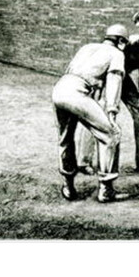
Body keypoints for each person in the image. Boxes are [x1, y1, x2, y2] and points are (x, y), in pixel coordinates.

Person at [52, 24, 130, 203]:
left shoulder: (87, 47)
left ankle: (68, 186)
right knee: (111, 134)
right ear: (121, 41)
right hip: (76, 94)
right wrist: (112, 111)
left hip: (60, 89)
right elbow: (114, 81)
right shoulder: (117, 54)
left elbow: (73, 71)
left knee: (65, 139)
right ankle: (106, 190)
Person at [76, 33, 139, 175]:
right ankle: (83, 161)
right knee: (98, 115)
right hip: (106, 76)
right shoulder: (128, 43)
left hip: (123, 78)